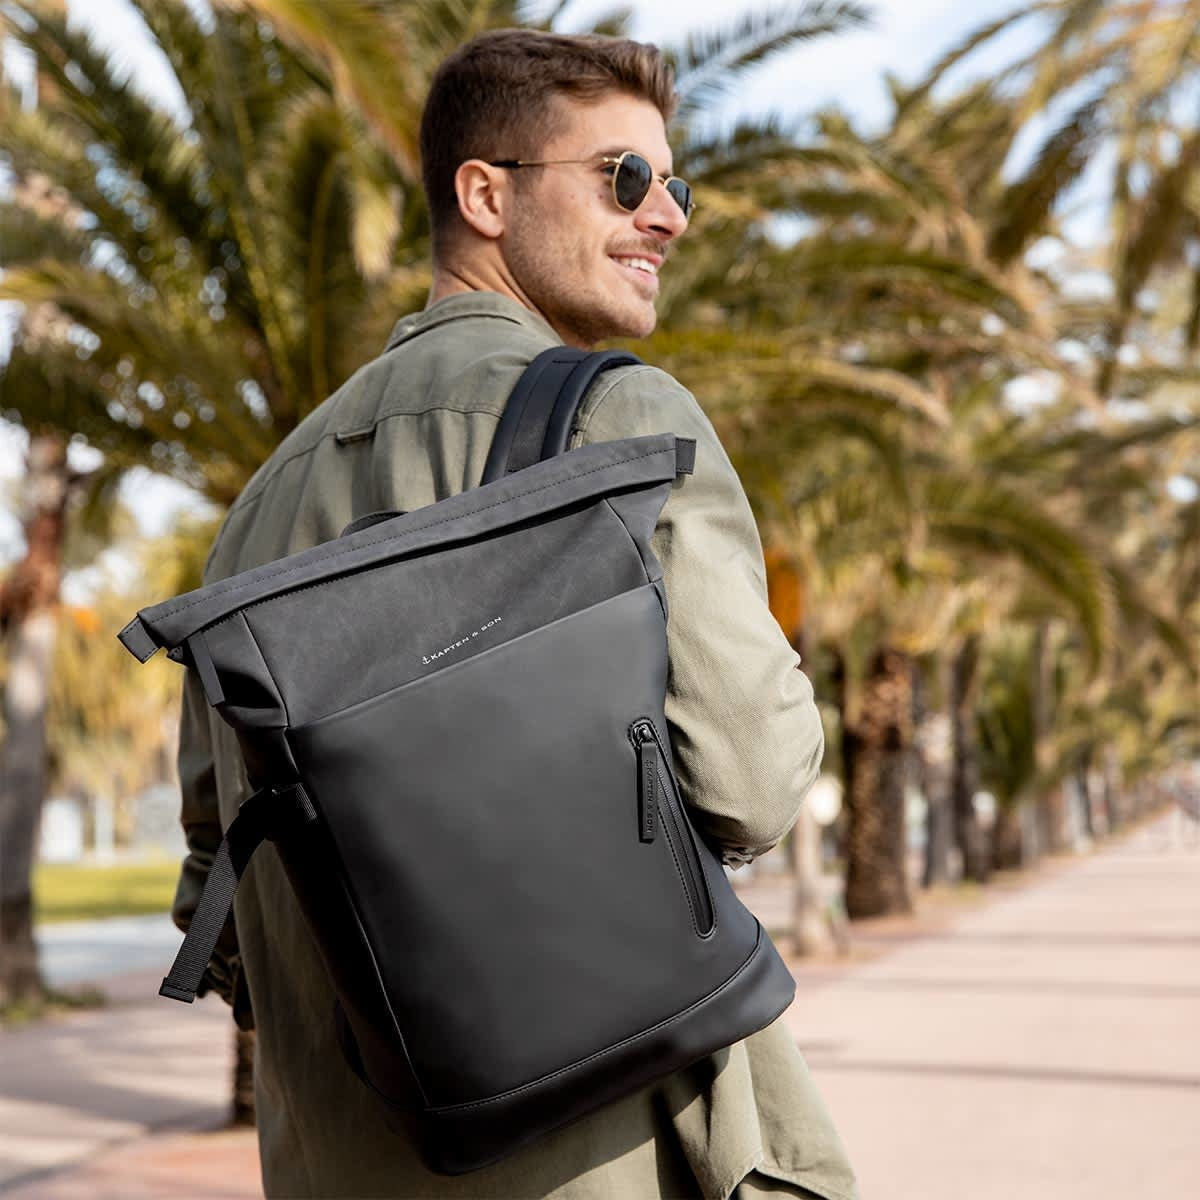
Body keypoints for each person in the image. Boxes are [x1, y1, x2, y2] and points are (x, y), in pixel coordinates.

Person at [173, 27, 859, 1200]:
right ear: (484, 194)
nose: (668, 216)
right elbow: (749, 779)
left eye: (672, 184)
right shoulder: (622, 423)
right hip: (615, 1154)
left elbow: (221, 904)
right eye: (623, 178)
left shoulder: (257, 510)